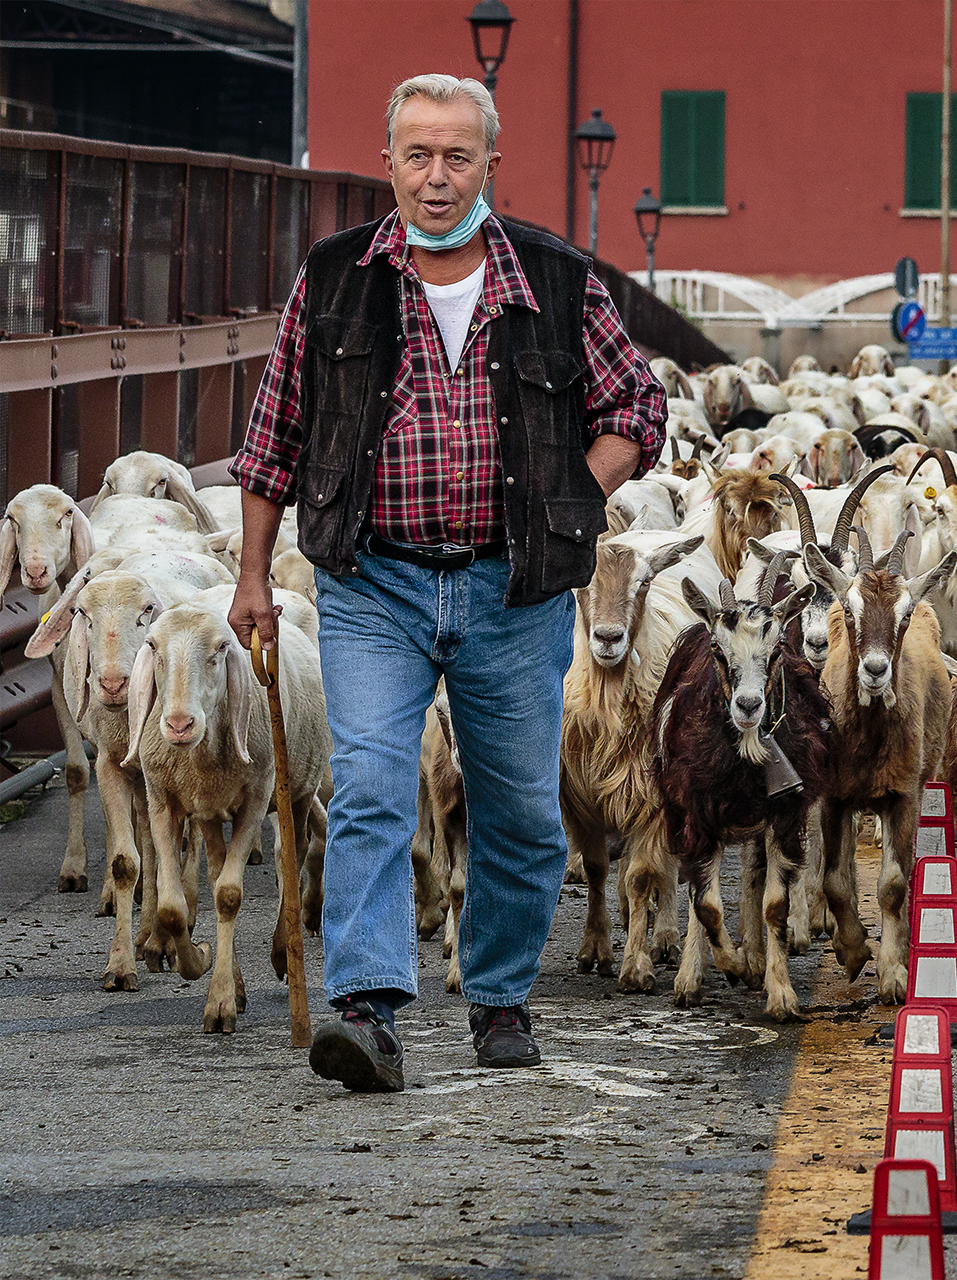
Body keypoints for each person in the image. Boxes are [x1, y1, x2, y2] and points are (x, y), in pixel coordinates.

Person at [229, 73, 665, 1092]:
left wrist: (571, 490)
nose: (436, 176)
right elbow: (271, 437)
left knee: (519, 808)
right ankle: (369, 1008)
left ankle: (501, 994)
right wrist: (251, 571)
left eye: (456, 156)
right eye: (417, 154)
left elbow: (636, 408)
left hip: (512, 591)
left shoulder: (556, 279)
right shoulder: (335, 277)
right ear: (387, 161)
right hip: (372, 581)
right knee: (375, 782)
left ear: (489, 167)